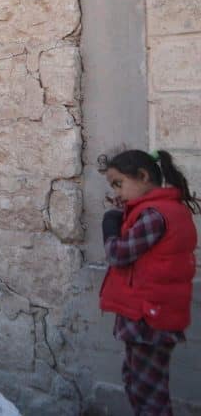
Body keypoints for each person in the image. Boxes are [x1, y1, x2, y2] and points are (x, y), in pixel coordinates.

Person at [98, 149, 199, 415]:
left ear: (142, 176)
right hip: (148, 315)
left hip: (149, 320)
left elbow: (119, 254)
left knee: (149, 396)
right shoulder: (162, 210)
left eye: (118, 184)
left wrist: (109, 226)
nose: (117, 193)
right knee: (139, 385)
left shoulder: (154, 215)